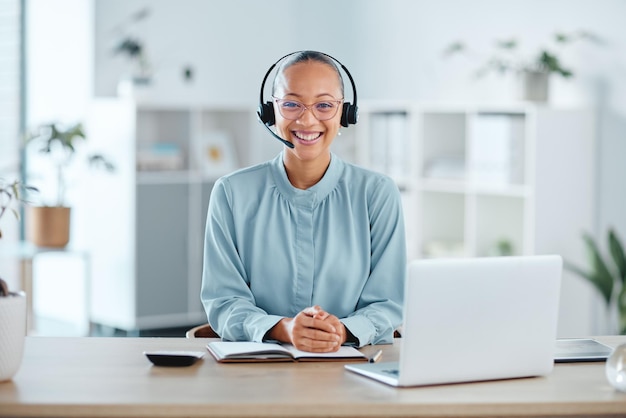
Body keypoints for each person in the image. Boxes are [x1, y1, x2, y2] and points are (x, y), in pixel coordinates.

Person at [201, 50, 406, 353]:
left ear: (346, 113)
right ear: (269, 111)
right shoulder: (231, 194)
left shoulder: (377, 194)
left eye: (324, 105)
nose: (307, 119)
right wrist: (285, 329)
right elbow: (224, 302)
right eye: (291, 104)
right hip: (258, 374)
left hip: (353, 370)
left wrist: (342, 330)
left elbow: (388, 304)